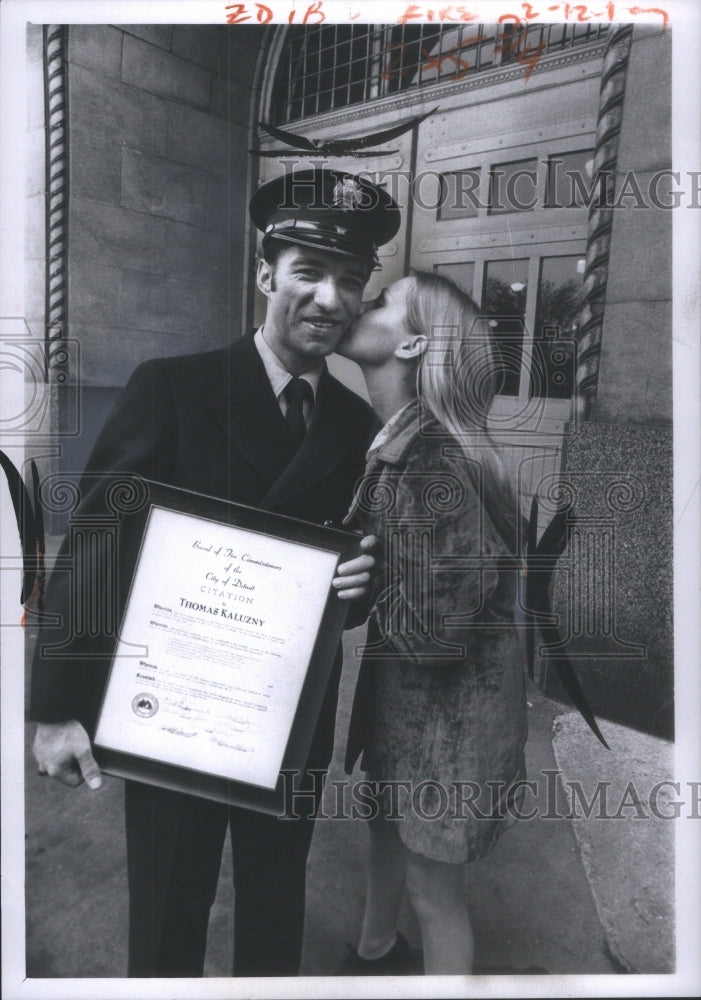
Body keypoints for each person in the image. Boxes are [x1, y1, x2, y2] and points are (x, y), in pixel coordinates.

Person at [29, 168, 400, 977]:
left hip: (286, 721)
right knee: (167, 909)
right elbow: (95, 547)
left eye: (349, 280)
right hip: (168, 711)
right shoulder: (173, 388)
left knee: (275, 908)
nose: (329, 300)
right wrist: (56, 710)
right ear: (265, 274)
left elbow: (357, 581)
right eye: (308, 272)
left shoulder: (355, 424)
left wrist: (363, 582)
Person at [336, 270, 528, 975]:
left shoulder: (433, 462)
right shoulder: (405, 447)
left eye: (384, 298)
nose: (361, 300)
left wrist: (359, 582)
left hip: (447, 730)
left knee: (433, 891)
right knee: (386, 835)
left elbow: (435, 633)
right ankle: (372, 954)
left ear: (415, 342)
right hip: (412, 715)